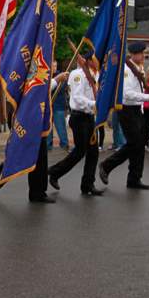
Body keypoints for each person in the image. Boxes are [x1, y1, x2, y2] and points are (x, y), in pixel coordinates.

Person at [0, 72, 69, 203]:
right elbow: (36, 89)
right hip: (25, 117)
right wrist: (56, 80)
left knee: (40, 156)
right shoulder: (25, 71)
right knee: (20, 153)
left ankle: (38, 192)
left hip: (36, 116)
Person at [99, 42, 149, 190]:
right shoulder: (126, 70)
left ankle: (134, 179)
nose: (144, 55)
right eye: (142, 53)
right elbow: (126, 94)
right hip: (126, 109)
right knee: (134, 143)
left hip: (136, 110)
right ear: (134, 54)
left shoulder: (138, 68)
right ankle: (107, 165)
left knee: (140, 145)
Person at [48, 54, 104, 196]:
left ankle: (88, 184)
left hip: (90, 117)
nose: (99, 62)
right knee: (80, 151)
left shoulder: (95, 75)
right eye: (96, 59)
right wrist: (95, 104)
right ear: (89, 60)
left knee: (93, 152)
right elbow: (78, 98)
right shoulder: (77, 74)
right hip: (79, 117)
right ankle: (54, 172)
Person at [47, 60, 69, 150]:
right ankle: (48, 145)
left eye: (55, 66)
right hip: (48, 106)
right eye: (52, 66)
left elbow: (61, 88)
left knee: (61, 127)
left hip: (58, 105)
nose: (54, 68)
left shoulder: (62, 76)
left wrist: (55, 82)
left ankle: (64, 144)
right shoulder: (46, 76)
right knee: (48, 127)